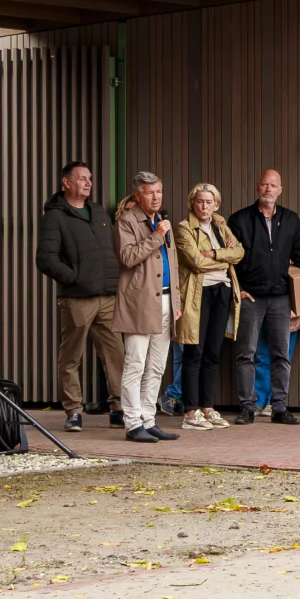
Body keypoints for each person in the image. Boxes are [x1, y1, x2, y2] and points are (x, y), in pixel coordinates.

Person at [36, 159, 124, 432]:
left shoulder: (98, 212)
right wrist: (74, 278)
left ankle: (118, 408)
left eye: (90, 178)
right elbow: (45, 259)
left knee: (115, 354)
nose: (89, 183)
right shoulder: (55, 216)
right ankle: (73, 410)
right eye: (83, 178)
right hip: (76, 298)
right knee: (71, 356)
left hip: (107, 296)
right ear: (67, 182)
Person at [227, 169, 300, 426]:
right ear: (257, 187)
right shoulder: (239, 220)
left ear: (280, 190)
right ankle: (247, 407)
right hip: (250, 296)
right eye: (264, 185)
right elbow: (227, 261)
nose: (268, 190)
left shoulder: (291, 220)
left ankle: (280, 408)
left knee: (281, 354)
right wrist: (235, 288)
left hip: (281, 297)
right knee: (246, 353)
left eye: (273, 186)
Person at [114, 172, 180, 444]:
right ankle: (132, 423)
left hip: (165, 301)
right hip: (140, 303)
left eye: (159, 191)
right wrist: (155, 236)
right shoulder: (127, 221)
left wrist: (176, 300)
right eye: (150, 192)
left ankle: (149, 419)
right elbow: (127, 257)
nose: (156, 197)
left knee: (156, 366)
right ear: (138, 195)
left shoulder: (162, 222)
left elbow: (172, 263)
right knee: (135, 364)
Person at [173, 183, 244, 431]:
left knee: (213, 352)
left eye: (209, 201)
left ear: (216, 204)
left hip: (222, 292)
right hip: (198, 294)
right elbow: (194, 262)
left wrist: (214, 254)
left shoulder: (221, 226)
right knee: (195, 352)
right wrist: (225, 260)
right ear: (192, 202)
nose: (205, 206)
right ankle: (190, 412)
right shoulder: (183, 229)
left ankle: (208, 408)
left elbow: (240, 252)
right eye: (200, 201)